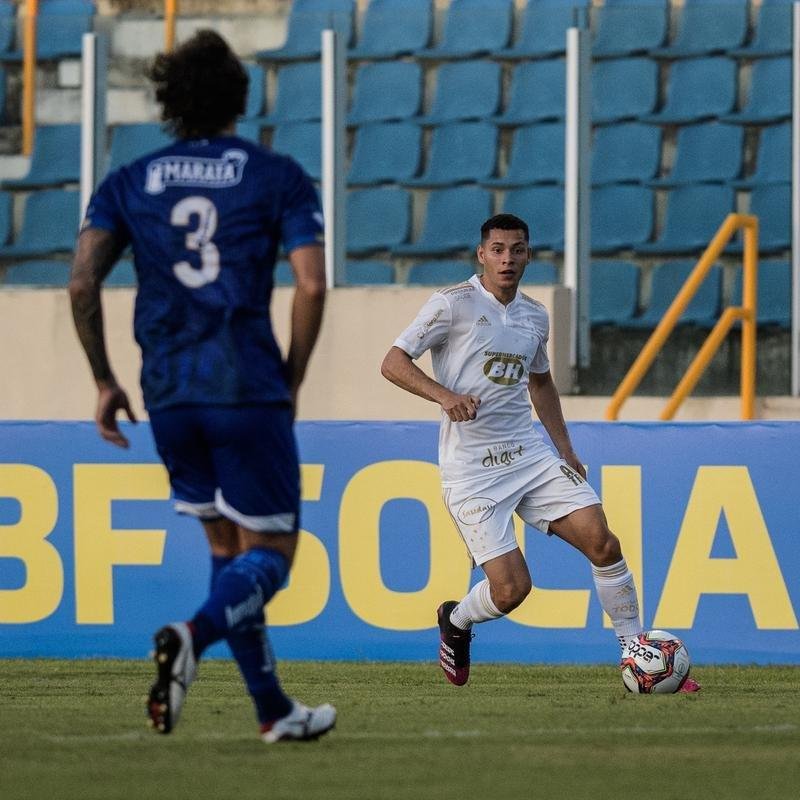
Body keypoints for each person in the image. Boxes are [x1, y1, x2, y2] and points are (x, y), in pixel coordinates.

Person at [69, 30, 337, 743]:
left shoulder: (129, 181)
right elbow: (311, 283)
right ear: (240, 99)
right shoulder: (276, 175)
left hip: (167, 392)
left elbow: (82, 278)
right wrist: (293, 376)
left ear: (168, 100)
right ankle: (192, 634)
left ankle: (273, 711)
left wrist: (102, 378)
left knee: (228, 553)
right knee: (271, 556)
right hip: (245, 384)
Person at [381, 214, 700, 692]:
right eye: (498, 249)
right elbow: (392, 363)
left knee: (603, 542)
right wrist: (445, 397)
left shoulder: (534, 315)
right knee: (512, 591)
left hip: (530, 455)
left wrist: (565, 449)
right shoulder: (452, 305)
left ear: (528, 255)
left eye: (517, 250)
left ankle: (635, 650)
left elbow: (540, 380)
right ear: (481, 255)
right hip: (471, 470)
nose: (507, 258)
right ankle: (456, 619)